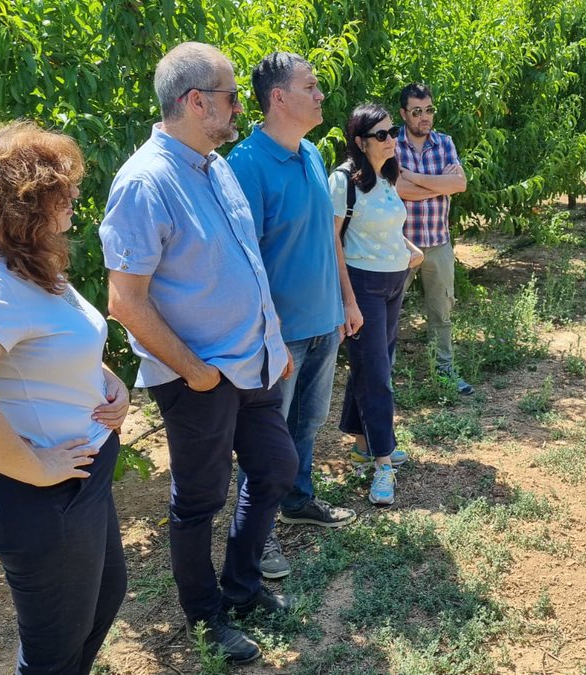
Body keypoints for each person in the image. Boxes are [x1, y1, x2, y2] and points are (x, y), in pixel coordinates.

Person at [99, 42, 297, 665]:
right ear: (195, 101)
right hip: (200, 378)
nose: (242, 107)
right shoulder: (144, 182)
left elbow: (243, 263)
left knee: (275, 469)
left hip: (252, 364)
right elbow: (124, 301)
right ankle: (206, 616)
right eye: (233, 97)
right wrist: (193, 369)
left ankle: (240, 587)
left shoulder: (216, 165)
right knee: (199, 500)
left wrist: (273, 341)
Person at [0, 121, 130, 674]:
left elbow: (50, 342)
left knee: (103, 600)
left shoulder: (32, 265)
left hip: (78, 477)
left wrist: (108, 379)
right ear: (23, 202)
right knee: (53, 651)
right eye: (61, 190)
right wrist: (36, 468)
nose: (74, 199)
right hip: (43, 496)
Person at [226, 52, 359, 578]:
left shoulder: (309, 153)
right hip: (281, 334)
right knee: (266, 438)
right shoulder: (246, 165)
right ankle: (258, 537)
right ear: (278, 97)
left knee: (308, 423)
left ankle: (298, 501)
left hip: (323, 320)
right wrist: (269, 335)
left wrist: (345, 302)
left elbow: (327, 238)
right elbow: (245, 260)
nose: (321, 94)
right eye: (311, 86)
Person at [329, 103, 425, 506]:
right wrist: (348, 300)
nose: (392, 140)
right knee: (377, 375)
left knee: (375, 364)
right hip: (363, 284)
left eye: (392, 133)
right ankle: (383, 462)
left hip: (394, 280)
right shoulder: (342, 181)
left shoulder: (388, 177)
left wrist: (408, 249)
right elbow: (332, 241)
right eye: (382, 135)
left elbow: (386, 226)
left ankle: (363, 442)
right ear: (360, 141)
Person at [395, 83, 472, 396]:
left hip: (438, 241)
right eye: (416, 111)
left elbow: (460, 184)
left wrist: (413, 178)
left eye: (428, 110)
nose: (424, 117)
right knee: (388, 313)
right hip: (400, 244)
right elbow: (396, 189)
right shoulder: (392, 143)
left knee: (442, 312)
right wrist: (441, 185)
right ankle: (383, 377)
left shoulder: (444, 142)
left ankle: (445, 372)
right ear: (404, 114)